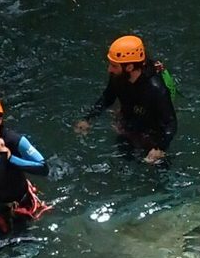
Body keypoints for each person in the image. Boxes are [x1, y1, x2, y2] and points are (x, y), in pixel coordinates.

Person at [75, 34, 177, 163]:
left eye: (114, 66)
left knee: (157, 167)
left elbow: (171, 124)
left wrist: (159, 148)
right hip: (129, 123)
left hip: (152, 131)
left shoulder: (156, 89)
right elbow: (108, 97)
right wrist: (88, 119)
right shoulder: (118, 76)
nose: (109, 69)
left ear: (129, 67)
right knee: (124, 159)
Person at [0, 94, 51, 236]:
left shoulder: (16, 140)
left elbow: (43, 168)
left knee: (24, 236)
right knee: (4, 239)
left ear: (0, 119)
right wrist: (4, 158)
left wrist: (11, 158)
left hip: (22, 199)